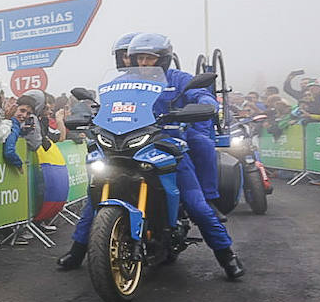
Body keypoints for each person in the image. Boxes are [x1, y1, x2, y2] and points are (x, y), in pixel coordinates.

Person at [58, 32, 244, 280]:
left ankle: (226, 256)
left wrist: (205, 103)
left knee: (197, 205)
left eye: (149, 58)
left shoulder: (179, 79)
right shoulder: (121, 83)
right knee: (93, 201)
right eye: (139, 58)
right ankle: (78, 250)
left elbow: (203, 96)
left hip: (167, 145)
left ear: (163, 59)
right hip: (126, 146)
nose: (144, 63)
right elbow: (106, 109)